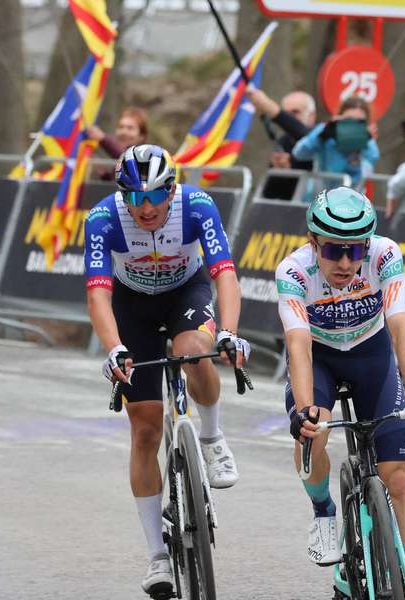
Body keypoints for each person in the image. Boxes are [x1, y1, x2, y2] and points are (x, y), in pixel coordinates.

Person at [84, 144, 249, 598]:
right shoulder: (102, 219)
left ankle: (212, 439)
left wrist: (229, 333)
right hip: (131, 305)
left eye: (157, 196)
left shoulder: (197, 206)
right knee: (145, 430)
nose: (148, 208)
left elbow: (225, 274)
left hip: (185, 293)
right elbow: (98, 292)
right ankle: (158, 557)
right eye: (136, 199)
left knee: (195, 348)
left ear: (172, 191)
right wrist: (115, 347)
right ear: (123, 197)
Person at [275, 187, 405, 599]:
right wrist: (303, 410)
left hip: (372, 357)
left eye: (355, 250)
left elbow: (402, 324)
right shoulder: (293, 272)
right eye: (333, 251)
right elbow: (298, 344)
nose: (347, 263)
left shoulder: (385, 255)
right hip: (321, 362)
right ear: (314, 242)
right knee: (316, 429)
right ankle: (324, 510)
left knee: (397, 480)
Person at [292, 96, 379, 191]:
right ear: (339, 117)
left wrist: (359, 145)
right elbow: (298, 153)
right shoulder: (326, 131)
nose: (353, 125)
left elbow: (362, 176)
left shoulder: (368, 144)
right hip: (318, 196)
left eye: (359, 122)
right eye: (349, 119)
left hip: (350, 200)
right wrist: (320, 137)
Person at [246, 88, 316, 200]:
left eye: (295, 112)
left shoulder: (320, 136)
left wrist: (270, 108)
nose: (290, 118)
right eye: (286, 113)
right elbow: (270, 194)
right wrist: (280, 172)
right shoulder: (283, 142)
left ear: (311, 116)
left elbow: (305, 136)